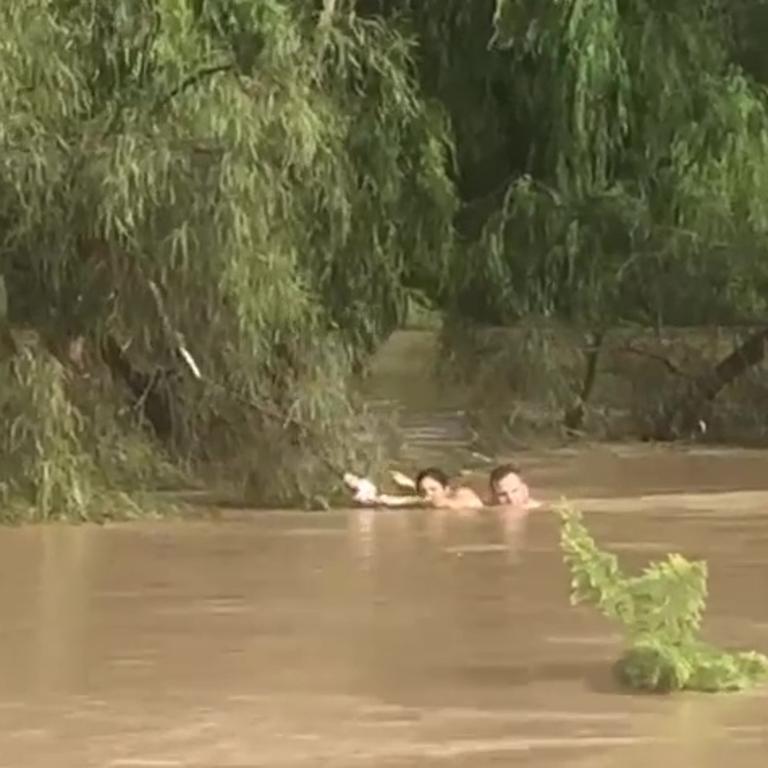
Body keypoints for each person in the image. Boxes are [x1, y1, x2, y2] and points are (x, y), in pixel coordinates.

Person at [344, 467, 483, 510]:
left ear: (446, 489)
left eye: (433, 489)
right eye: (424, 491)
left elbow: (439, 503)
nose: (428, 495)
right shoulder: (429, 499)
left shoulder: (464, 494)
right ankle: (412, 484)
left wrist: (395, 501)